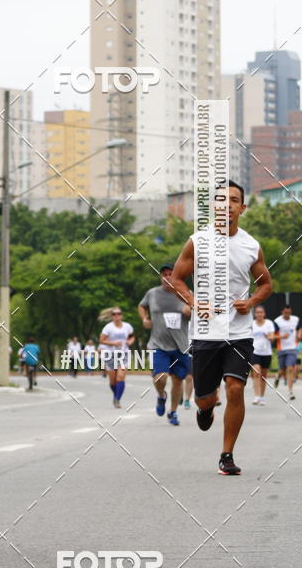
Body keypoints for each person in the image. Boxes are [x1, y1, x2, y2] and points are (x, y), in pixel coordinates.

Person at [172, 180, 272, 475]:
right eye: (220, 200)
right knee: (205, 397)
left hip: (239, 332)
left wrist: (250, 302)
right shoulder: (197, 241)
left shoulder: (251, 246)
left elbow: (266, 285)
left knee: (236, 387)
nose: (226, 204)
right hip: (206, 332)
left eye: (233, 200)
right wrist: (193, 301)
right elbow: (176, 279)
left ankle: (226, 455)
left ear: (242, 208)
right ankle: (205, 407)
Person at [138, 262, 192, 426]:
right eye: (164, 274)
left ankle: (173, 412)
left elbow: (196, 309)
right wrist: (144, 318)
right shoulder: (152, 293)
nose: (167, 277)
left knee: (178, 380)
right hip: (158, 345)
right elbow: (142, 306)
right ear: (161, 277)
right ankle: (161, 396)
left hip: (180, 345)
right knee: (160, 377)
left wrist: (189, 310)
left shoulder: (185, 293)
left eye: (171, 274)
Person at [99, 308, 134, 408]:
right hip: (110, 355)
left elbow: (132, 337)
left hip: (123, 354)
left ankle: (117, 399)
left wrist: (129, 342)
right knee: (113, 381)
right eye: (114, 314)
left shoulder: (127, 326)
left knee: (120, 377)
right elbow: (102, 340)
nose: (117, 316)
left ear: (122, 315)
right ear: (112, 316)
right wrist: (113, 343)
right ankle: (116, 395)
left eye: (119, 313)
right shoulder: (108, 327)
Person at [273, 305, 300, 400]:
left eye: (289, 312)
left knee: (290, 368)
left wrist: (299, 334)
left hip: (292, 348)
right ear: (282, 312)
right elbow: (272, 335)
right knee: (282, 369)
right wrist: (281, 337)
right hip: (281, 348)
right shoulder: (277, 321)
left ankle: (290, 391)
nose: (287, 314)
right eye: (286, 313)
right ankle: (277, 376)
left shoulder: (295, 319)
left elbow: (300, 328)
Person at [251, 306, 275, 405]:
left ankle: (262, 396)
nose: (259, 314)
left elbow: (272, 337)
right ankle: (256, 396)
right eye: (257, 312)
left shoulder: (269, 323)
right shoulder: (252, 324)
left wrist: (268, 336)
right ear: (255, 314)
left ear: (264, 314)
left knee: (263, 376)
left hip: (266, 353)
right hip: (255, 352)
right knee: (256, 372)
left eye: (261, 312)